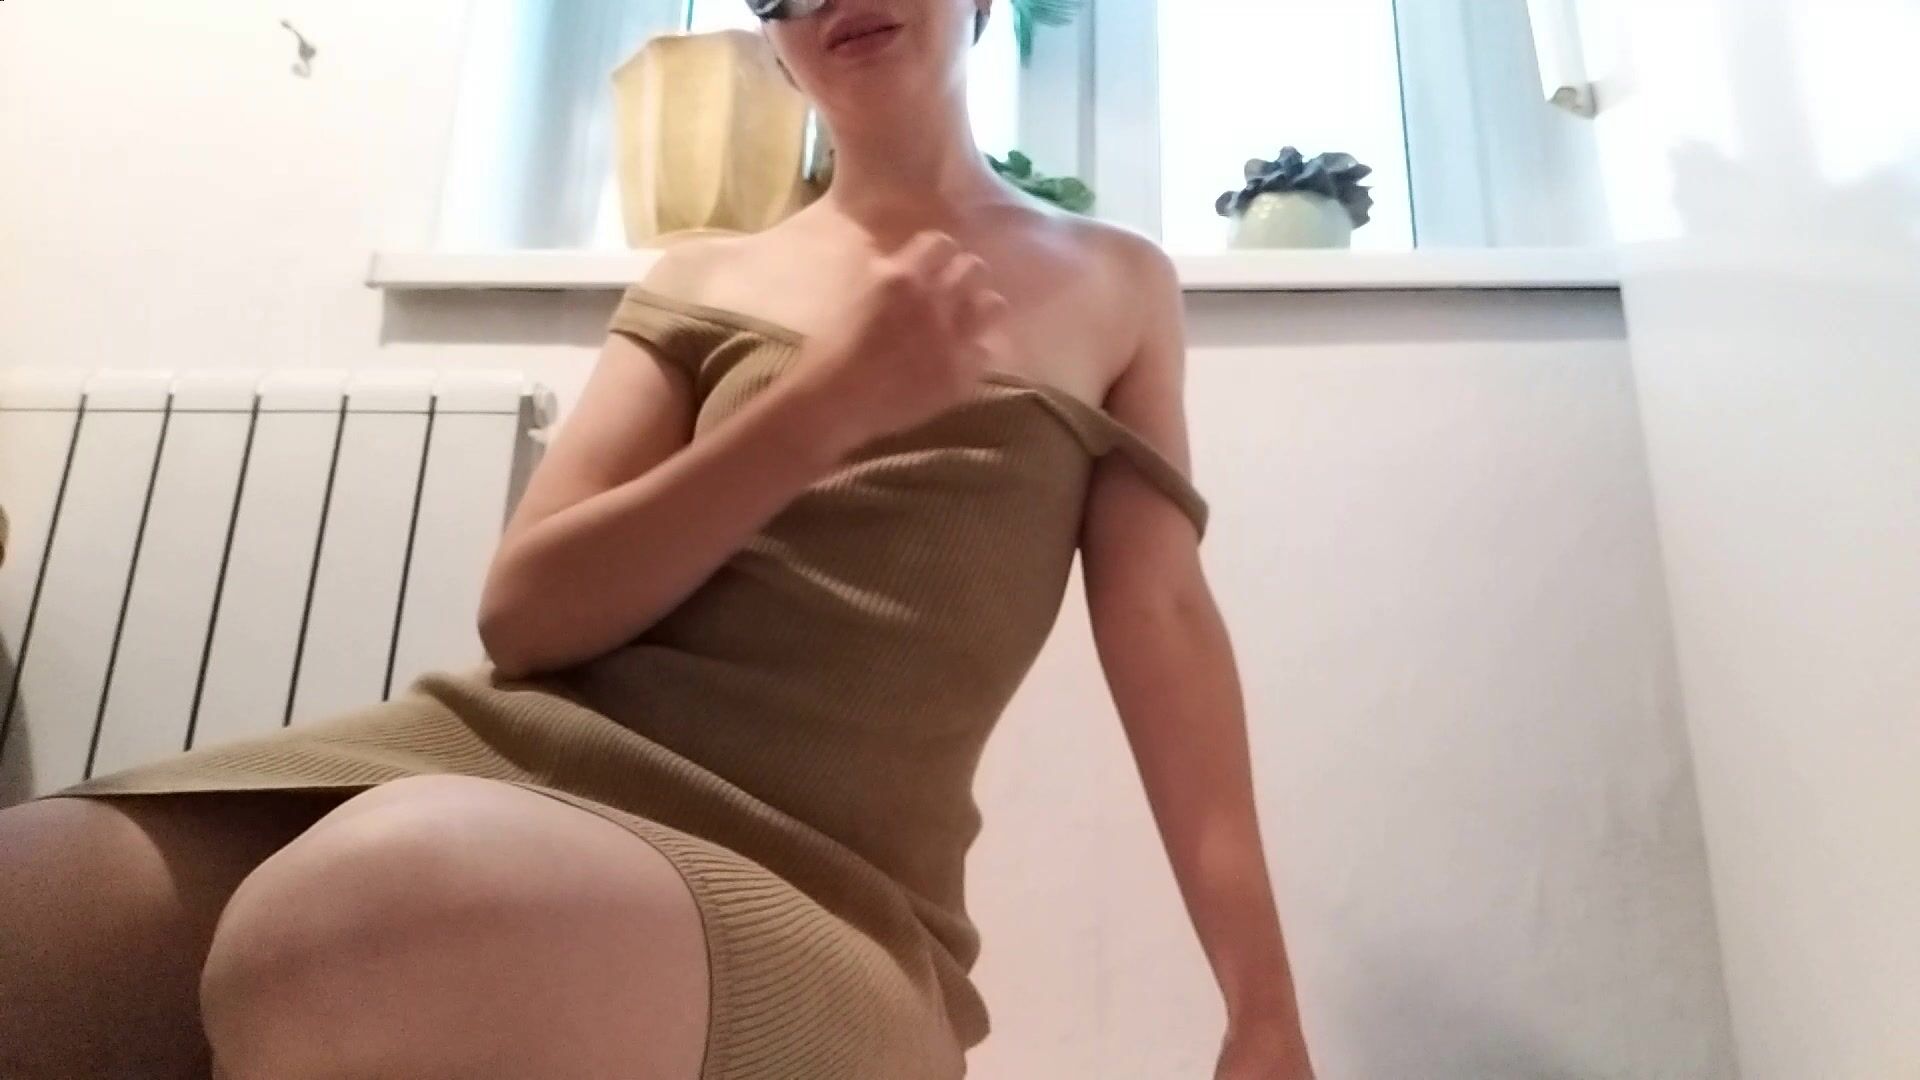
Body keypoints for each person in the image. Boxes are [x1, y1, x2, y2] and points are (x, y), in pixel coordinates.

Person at [0, 1, 1315, 1077]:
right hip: (495, 758)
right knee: (30, 903)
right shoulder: (700, 277)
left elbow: (1166, 624)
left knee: (360, 916)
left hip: (826, 883)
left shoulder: (1117, 282)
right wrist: (827, 402)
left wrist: (1263, 1009)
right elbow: (527, 616)